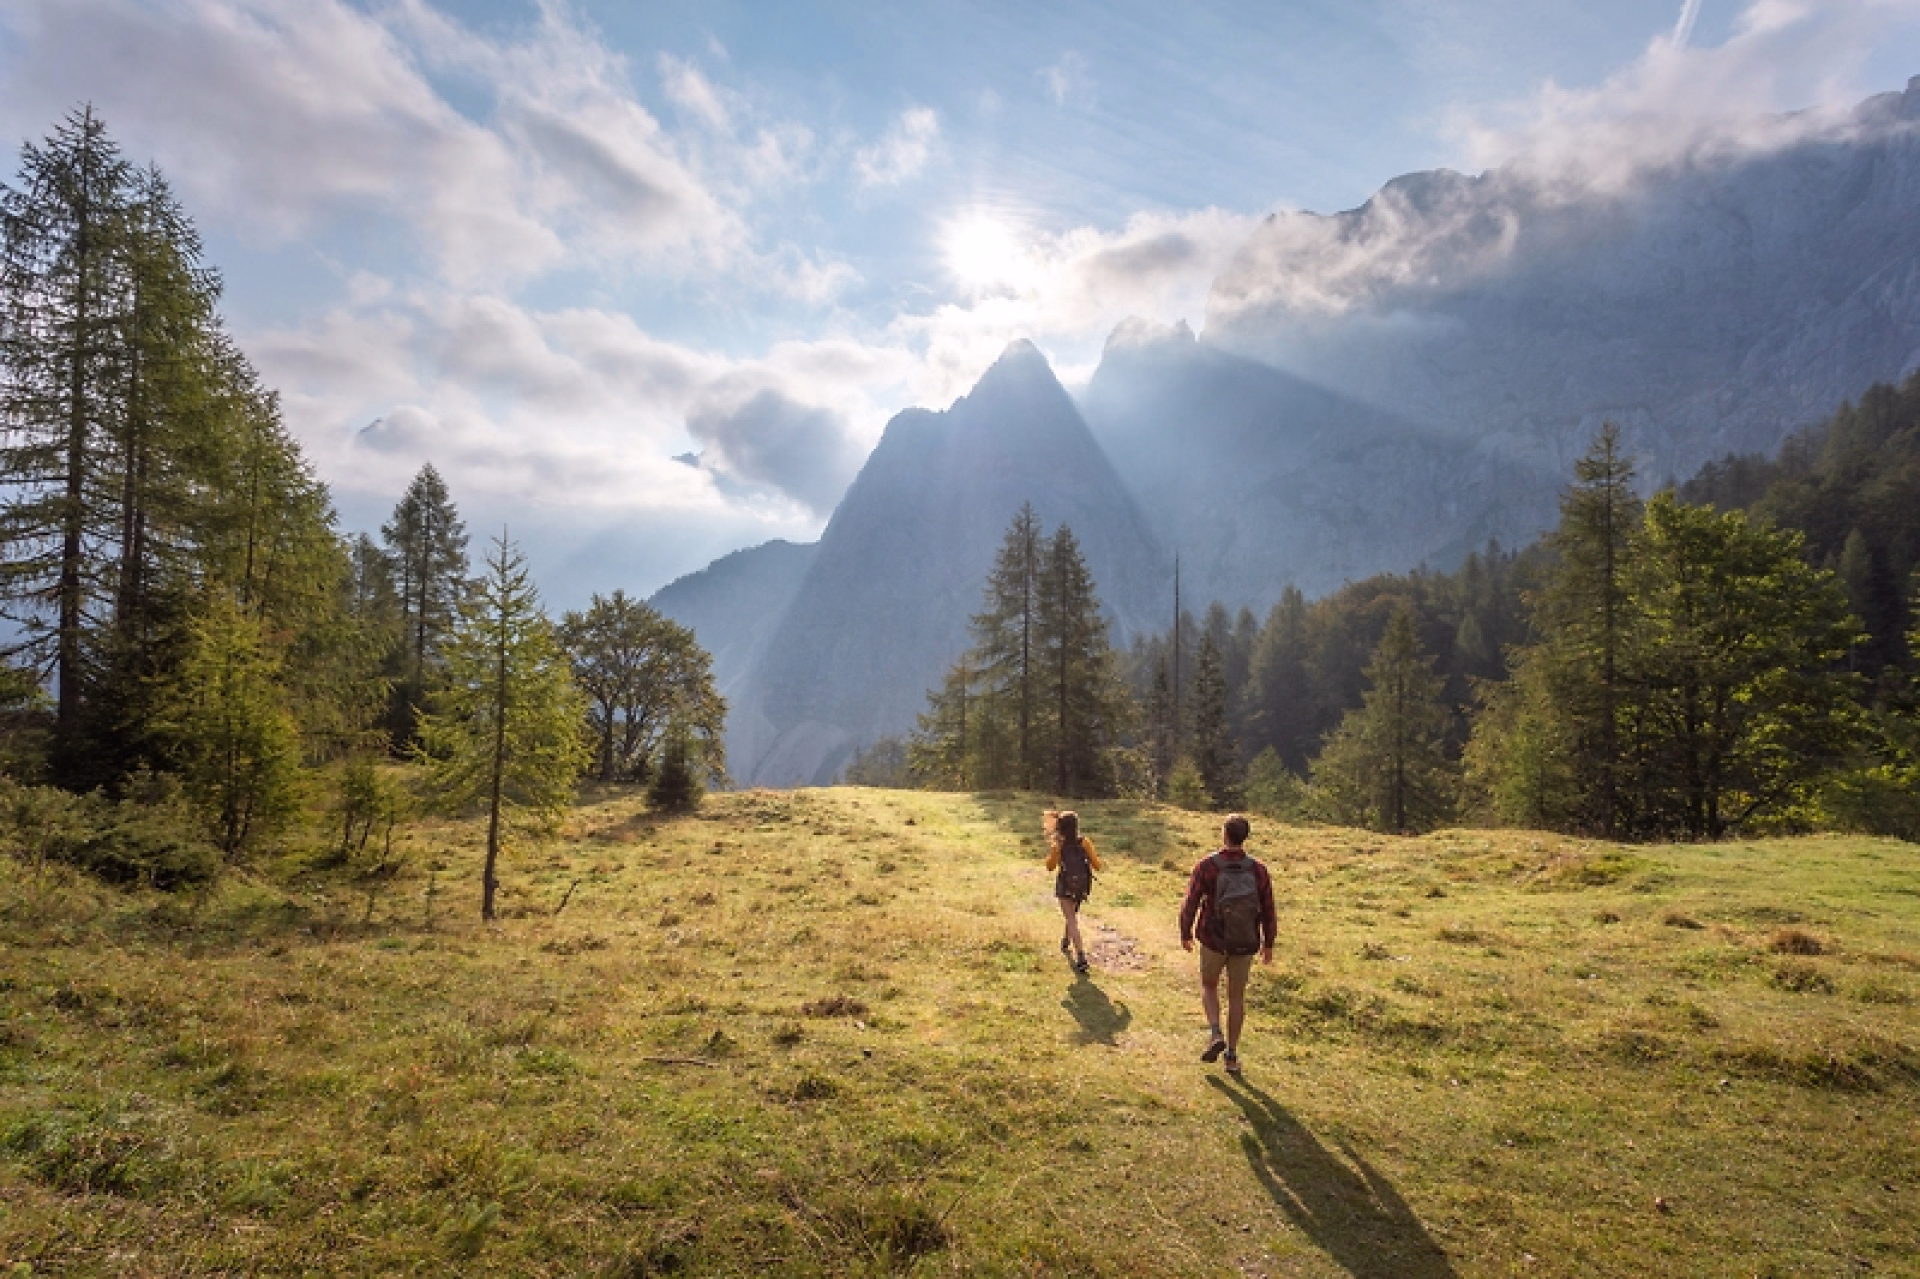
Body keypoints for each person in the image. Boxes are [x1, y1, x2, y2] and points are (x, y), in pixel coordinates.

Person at [1178, 813, 1276, 1076]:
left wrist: (1185, 931)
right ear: (1245, 837)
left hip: (1213, 938)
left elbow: (1190, 901)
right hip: (1245, 940)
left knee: (1209, 985)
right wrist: (1268, 943)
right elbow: (1268, 908)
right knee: (1236, 997)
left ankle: (1215, 1032)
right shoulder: (1258, 870)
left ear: (1224, 834)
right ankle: (1231, 1056)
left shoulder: (1206, 866)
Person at [1045, 809, 1102, 974]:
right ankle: (1066, 940)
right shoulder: (1084, 842)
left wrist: (1054, 852)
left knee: (1071, 918)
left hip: (1065, 885)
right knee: (1071, 916)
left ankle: (1081, 956)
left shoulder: (1059, 845)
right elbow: (1097, 865)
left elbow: (1050, 867)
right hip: (1081, 886)